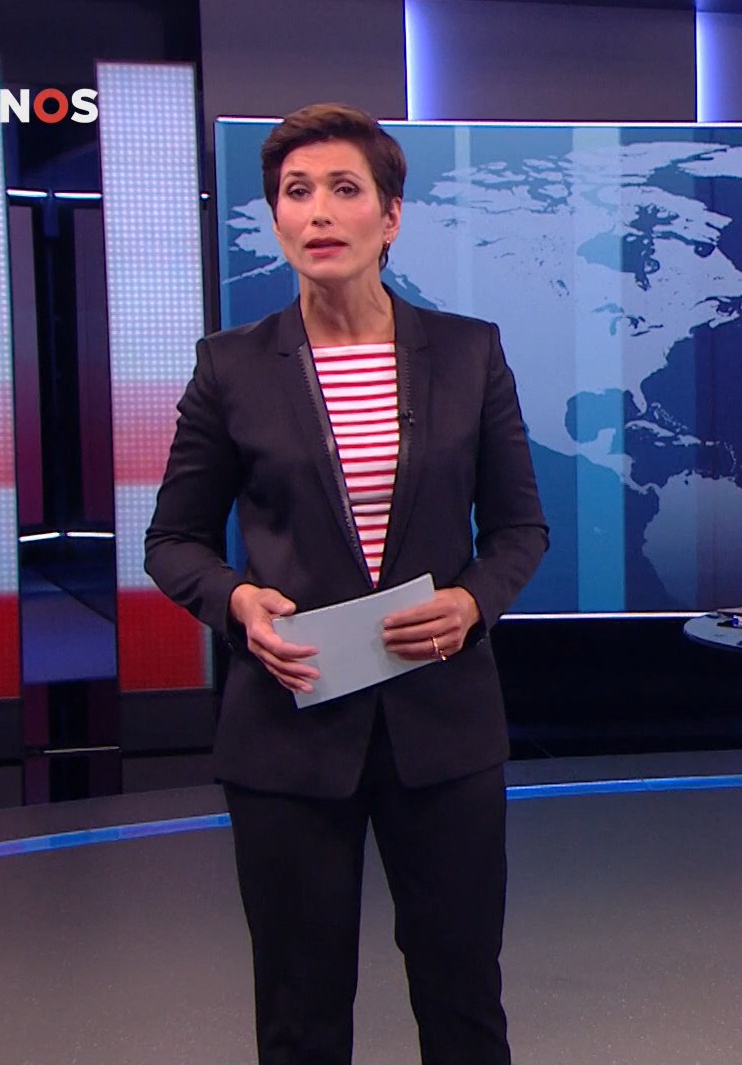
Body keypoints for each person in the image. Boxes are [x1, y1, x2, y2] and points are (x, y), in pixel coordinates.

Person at [144, 102, 547, 1065]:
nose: (318, 211)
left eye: (343, 189)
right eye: (296, 192)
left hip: (442, 727)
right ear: (276, 218)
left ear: (390, 216)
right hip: (288, 732)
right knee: (300, 1013)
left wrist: (472, 602)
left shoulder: (468, 353)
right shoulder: (231, 368)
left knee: (462, 1001)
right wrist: (236, 604)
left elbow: (519, 529)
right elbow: (174, 541)